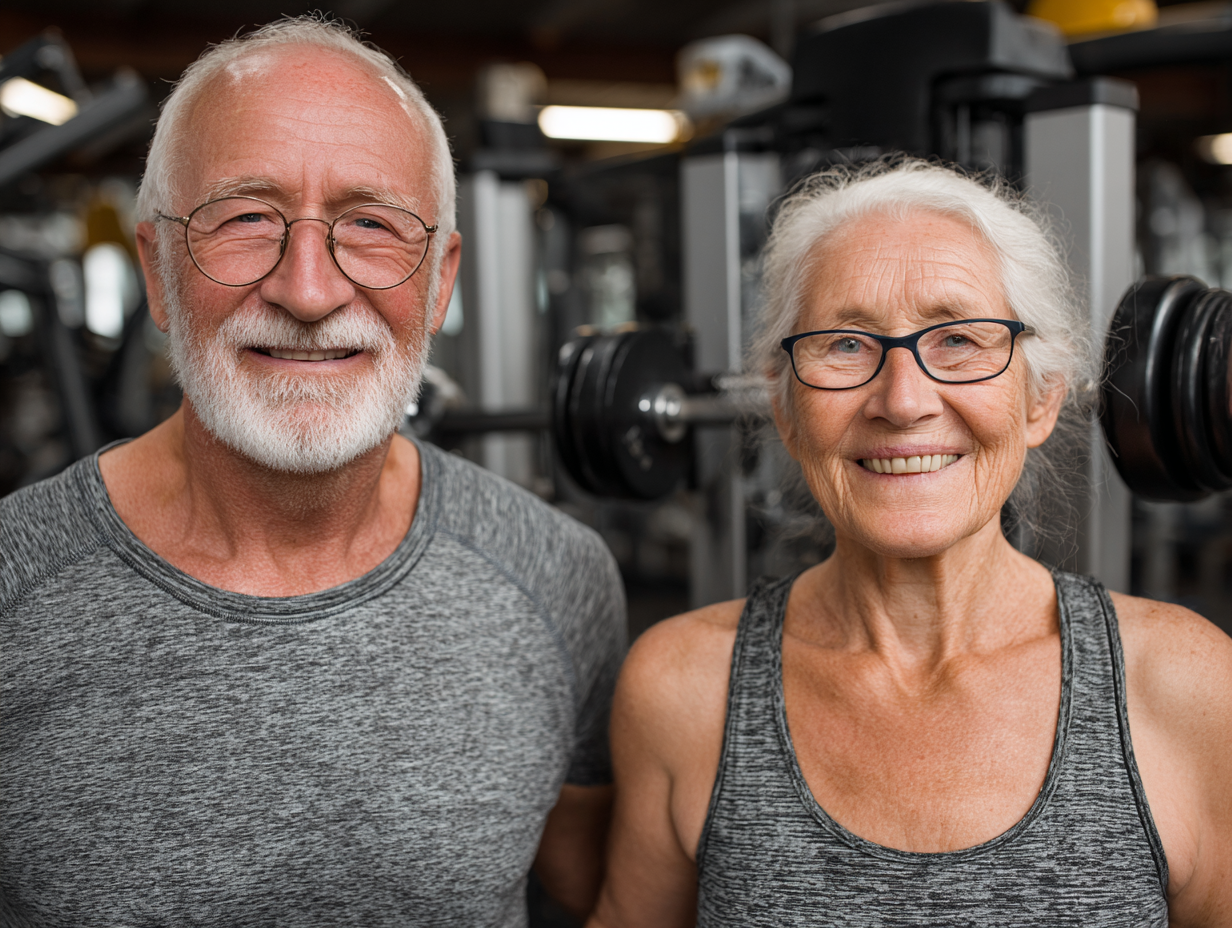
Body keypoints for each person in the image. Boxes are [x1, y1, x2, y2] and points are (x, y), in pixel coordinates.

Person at [0, 18, 625, 926]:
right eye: (246, 218)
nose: (308, 289)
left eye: (370, 225)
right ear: (159, 270)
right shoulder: (14, 584)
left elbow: (608, 896)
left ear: (441, 283)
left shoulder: (557, 576)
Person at [590, 160, 1232, 928]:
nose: (902, 401)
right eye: (846, 346)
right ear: (785, 409)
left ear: (1041, 398)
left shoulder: (1187, 686)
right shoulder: (681, 687)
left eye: (959, 338)